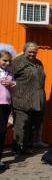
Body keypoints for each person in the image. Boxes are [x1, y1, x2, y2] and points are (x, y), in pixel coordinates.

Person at [11, 42, 47, 155]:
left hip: (37, 99)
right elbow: (8, 76)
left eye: (34, 52)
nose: (32, 54)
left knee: (33, 124)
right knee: (21, 125)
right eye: (30, 52)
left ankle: (27, 145)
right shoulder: (17, 62)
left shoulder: (39, 63)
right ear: (24, 51)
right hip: (22, 98)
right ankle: (18, 148)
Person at [0, 44, 16, 172]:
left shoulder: (9, 72)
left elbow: (15, 86)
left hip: (5, 105)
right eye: (4, 60)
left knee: (2, 132)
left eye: (9, 61)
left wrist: (11, 83)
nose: (7, 63)